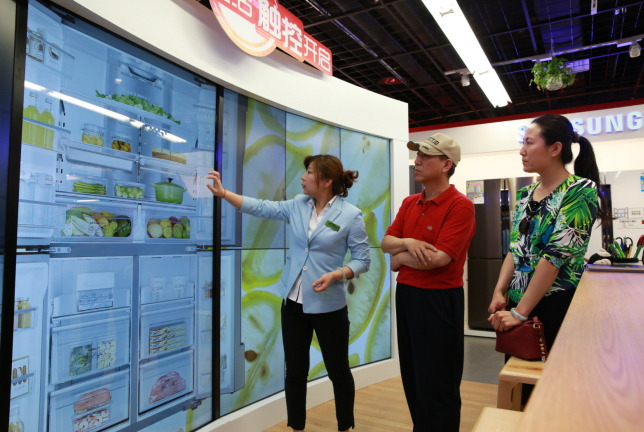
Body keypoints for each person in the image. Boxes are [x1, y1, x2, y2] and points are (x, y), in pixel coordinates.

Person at [207, 155, 370, 432]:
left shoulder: (350, 215)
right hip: (293, 303)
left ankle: (346, 426)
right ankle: (296, 426)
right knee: (294, 372)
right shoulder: (297, 204)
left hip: (329, 307)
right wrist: (224, 194)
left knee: (338, 371)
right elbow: (261, 207)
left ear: (327, 181)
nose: (303, 177)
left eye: (309, 172)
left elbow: (363, 260)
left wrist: (337, 274)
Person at [488, 114, 610, 352]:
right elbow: (515, 248)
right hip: (517, 302)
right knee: (519, 380)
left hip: (555, 304)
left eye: (529, 143)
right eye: (522, 143)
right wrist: (499, 291)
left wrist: (520, 313)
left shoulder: (580, 191)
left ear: (555, 148)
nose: (522, 151)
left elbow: (553, 259)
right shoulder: (525, 194)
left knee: (550, 380)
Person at [380, 133, 475, 432]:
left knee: (439, 379)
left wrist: (399, 258)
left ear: (446, 164)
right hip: (408, 294)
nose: (417, 161)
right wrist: (408, 242)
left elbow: (438, 259)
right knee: (413, 374)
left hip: (439, 299)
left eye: (425, 156)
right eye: (417, 155)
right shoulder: (410, 202)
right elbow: (385, 243)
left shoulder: (460, 205)